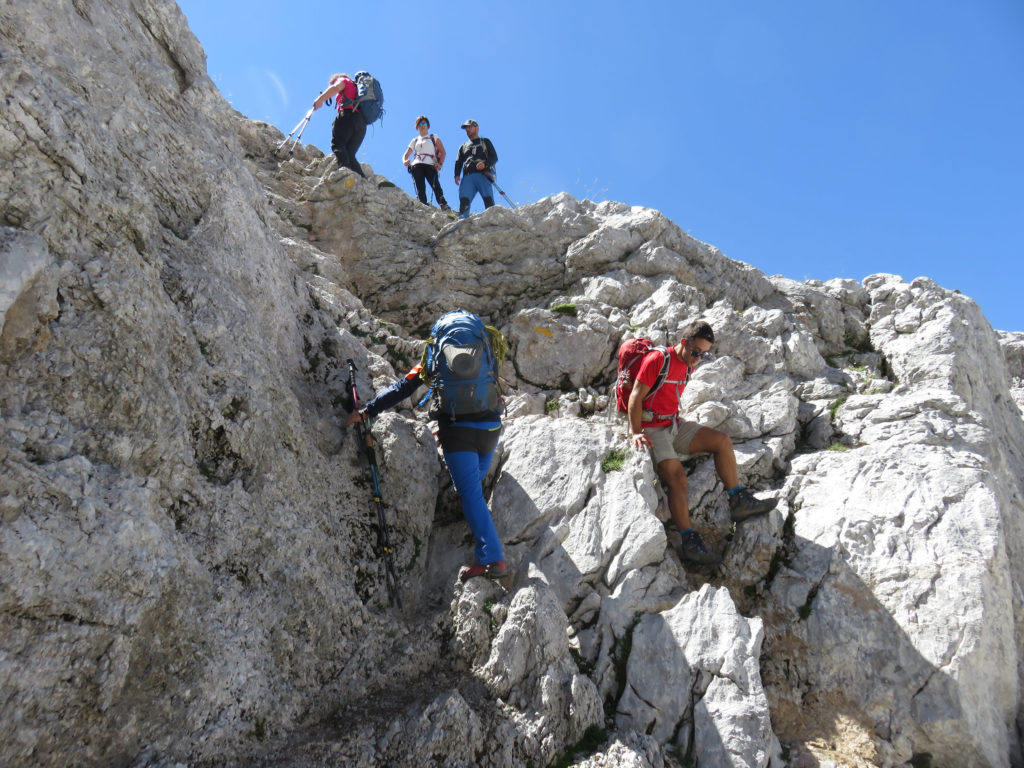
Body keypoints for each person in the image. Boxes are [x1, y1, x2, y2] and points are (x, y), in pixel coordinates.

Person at [345, 311, 509, 583]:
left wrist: (367, 411)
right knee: (472, 489)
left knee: (470, 495)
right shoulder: (485, 345)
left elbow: (403, 387)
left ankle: (492, 558)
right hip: (491, 428)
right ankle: (475, 519)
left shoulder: (435, 354)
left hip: (457, 432)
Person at [628, 321, 777, 565]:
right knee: (677, 478)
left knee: (722, 441)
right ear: (683, 343)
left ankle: (737, 500)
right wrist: (635, 432)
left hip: (673, 425)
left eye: (704, 354)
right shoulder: (658, 360)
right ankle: (689, 541)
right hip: (651, 427)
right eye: (696, 352)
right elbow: (636, 395)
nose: (698, 358)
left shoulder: (688, 365)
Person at [313, 73, 366, 177]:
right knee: (350, 154)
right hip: (361, 123)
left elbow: (336, 87)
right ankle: (362, 181)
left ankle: (345, 175)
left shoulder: (343, 80)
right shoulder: (356, 88)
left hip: (347, 115)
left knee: (338, 144)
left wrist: (320, 99)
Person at [402, 116, 451, 213]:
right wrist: (405, 161)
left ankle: (444, 205)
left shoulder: (433, 137)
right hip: (417, 164)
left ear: (428, 126)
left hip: (430, 164)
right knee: (420, 187)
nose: (422, 126)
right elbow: (405, 155)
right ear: (417, 127)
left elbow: (443, 152)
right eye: (420, 124)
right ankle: (423, 205)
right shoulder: (415, 140)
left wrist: (440, 163)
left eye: (424, 124)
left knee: (436, 186)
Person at [453, 119, 498, 219]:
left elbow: (494, 157)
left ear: (476, 128)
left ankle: (491, 219)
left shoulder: (485, 142)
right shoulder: (463, 147)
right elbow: (458, 162)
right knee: (464, 199)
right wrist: (456, 175)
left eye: (469, 127)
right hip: (468, 176)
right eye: (466, 128)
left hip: (483, 174)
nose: (467, 129)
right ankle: (462, 220)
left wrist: (485, 164)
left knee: (488, 199)